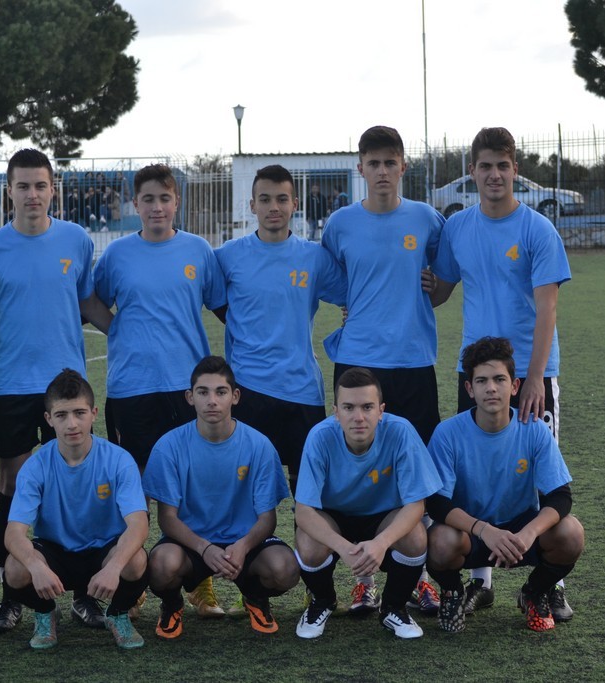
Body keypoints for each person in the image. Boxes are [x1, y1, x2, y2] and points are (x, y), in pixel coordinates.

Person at [0, 148, 113, 634]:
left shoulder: (76, 240)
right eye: (23, 186)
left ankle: (85, 594)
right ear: (8, 190)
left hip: (66, 387)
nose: (32, 194)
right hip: (12, 385)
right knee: (13, 483)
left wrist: (132, 335)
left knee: (77, 481)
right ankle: (12, 597)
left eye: (40, 185)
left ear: (53, 189)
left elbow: (88, 303)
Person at [427, 126, 573, 620]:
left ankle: (547, 585)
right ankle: (480, 581)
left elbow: (547, 309)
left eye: (503, 166)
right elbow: (440, 289)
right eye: (485, 166)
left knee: (538, 473)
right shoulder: (457, 228)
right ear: (472, 171)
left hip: (529, 374)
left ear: (515, 171)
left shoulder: (537, 230)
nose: (494, 175)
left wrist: (533, 378)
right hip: (474, 371)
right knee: (472, 471)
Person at [320, 125, 445, 614]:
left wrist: (434, 286)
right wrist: (353, 303)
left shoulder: (426, 219)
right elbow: (332, 278)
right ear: (360, 169)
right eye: (373, 163)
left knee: (416, 472)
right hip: (358, 363)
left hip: (413, 361)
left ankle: (417, 578)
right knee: (356, 471)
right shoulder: (340, 224)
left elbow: (443, 279)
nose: (382, 172)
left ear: (403, 166)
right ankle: (362, 580)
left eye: (390, 162)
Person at [94, 163, 227, 617]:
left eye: (164, 198)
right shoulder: (117, 254)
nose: (156, 207)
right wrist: (118, 330)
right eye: (148, 199)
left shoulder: (198, 250)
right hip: (132, 388)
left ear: (176, 202)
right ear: (136, 204)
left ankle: (199, 584)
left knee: (188, 486)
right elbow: (92, 300)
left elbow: (222, 304)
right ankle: (133, 584)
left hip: (187, 389)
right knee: (134, 489)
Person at [424, 337, 584, 633]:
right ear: (469, 389)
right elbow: (437, 503)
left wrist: (528, 533)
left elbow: (560, 497)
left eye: (499, 379)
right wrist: (485, 531)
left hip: (520, 531)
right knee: (439, 541)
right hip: (471, 533)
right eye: (482, 381)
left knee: (571, 533)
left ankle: (534, 592)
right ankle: (453, 592)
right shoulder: (447, 433)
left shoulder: (535, 430)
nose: (491, 388)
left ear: (514, 386)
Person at [143, 356, 299, 638]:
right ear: (190, 397)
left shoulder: (259, 446)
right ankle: (172, 604)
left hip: (244, 543)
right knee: (160, 565)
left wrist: (243, 546)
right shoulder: (169, 446)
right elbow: (167, 518)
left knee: (285, 568)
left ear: (235, 396)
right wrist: (204, 548)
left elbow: (267, 518)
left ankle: (255, 598)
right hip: (191, 544)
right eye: (203, 392)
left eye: (221, 392)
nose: (212, 401)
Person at [214, 165, 345, 495]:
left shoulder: (314, 257)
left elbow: (357, 293)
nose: (274, 207)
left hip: (301, 389)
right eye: (265, 199)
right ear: (252, 205)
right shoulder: (228, 256)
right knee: (250, 494)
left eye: (282, 199)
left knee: (308, 495)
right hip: (247, 389)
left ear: (295, 204)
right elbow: (203, 293)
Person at [3, 369, 149, 650]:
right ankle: (45, 612)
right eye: (61, 415)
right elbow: (14, 533)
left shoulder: (119, 459)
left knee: (136, 561)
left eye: (79, 413)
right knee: (15, 569)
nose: (72, 423)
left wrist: (114, 566)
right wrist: (35, 565)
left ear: (94, 414)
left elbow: (139, 524)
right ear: (49, 419)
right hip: (56, 553)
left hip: (104, 551)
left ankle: (117, 614)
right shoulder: (35, 466)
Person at [293, 367, 441, 640]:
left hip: (382, 517)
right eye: (348, 407)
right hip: (334, 517)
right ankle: (323, 601)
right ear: (336, 412)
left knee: (415, 536)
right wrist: (344, 547)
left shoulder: (401, 431)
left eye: (367, 407)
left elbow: (416, 506)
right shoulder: (320, 436)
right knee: (308, 542)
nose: (358, 417)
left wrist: (381, 543)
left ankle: (393, 608)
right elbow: (303, 512)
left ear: (381, 410)